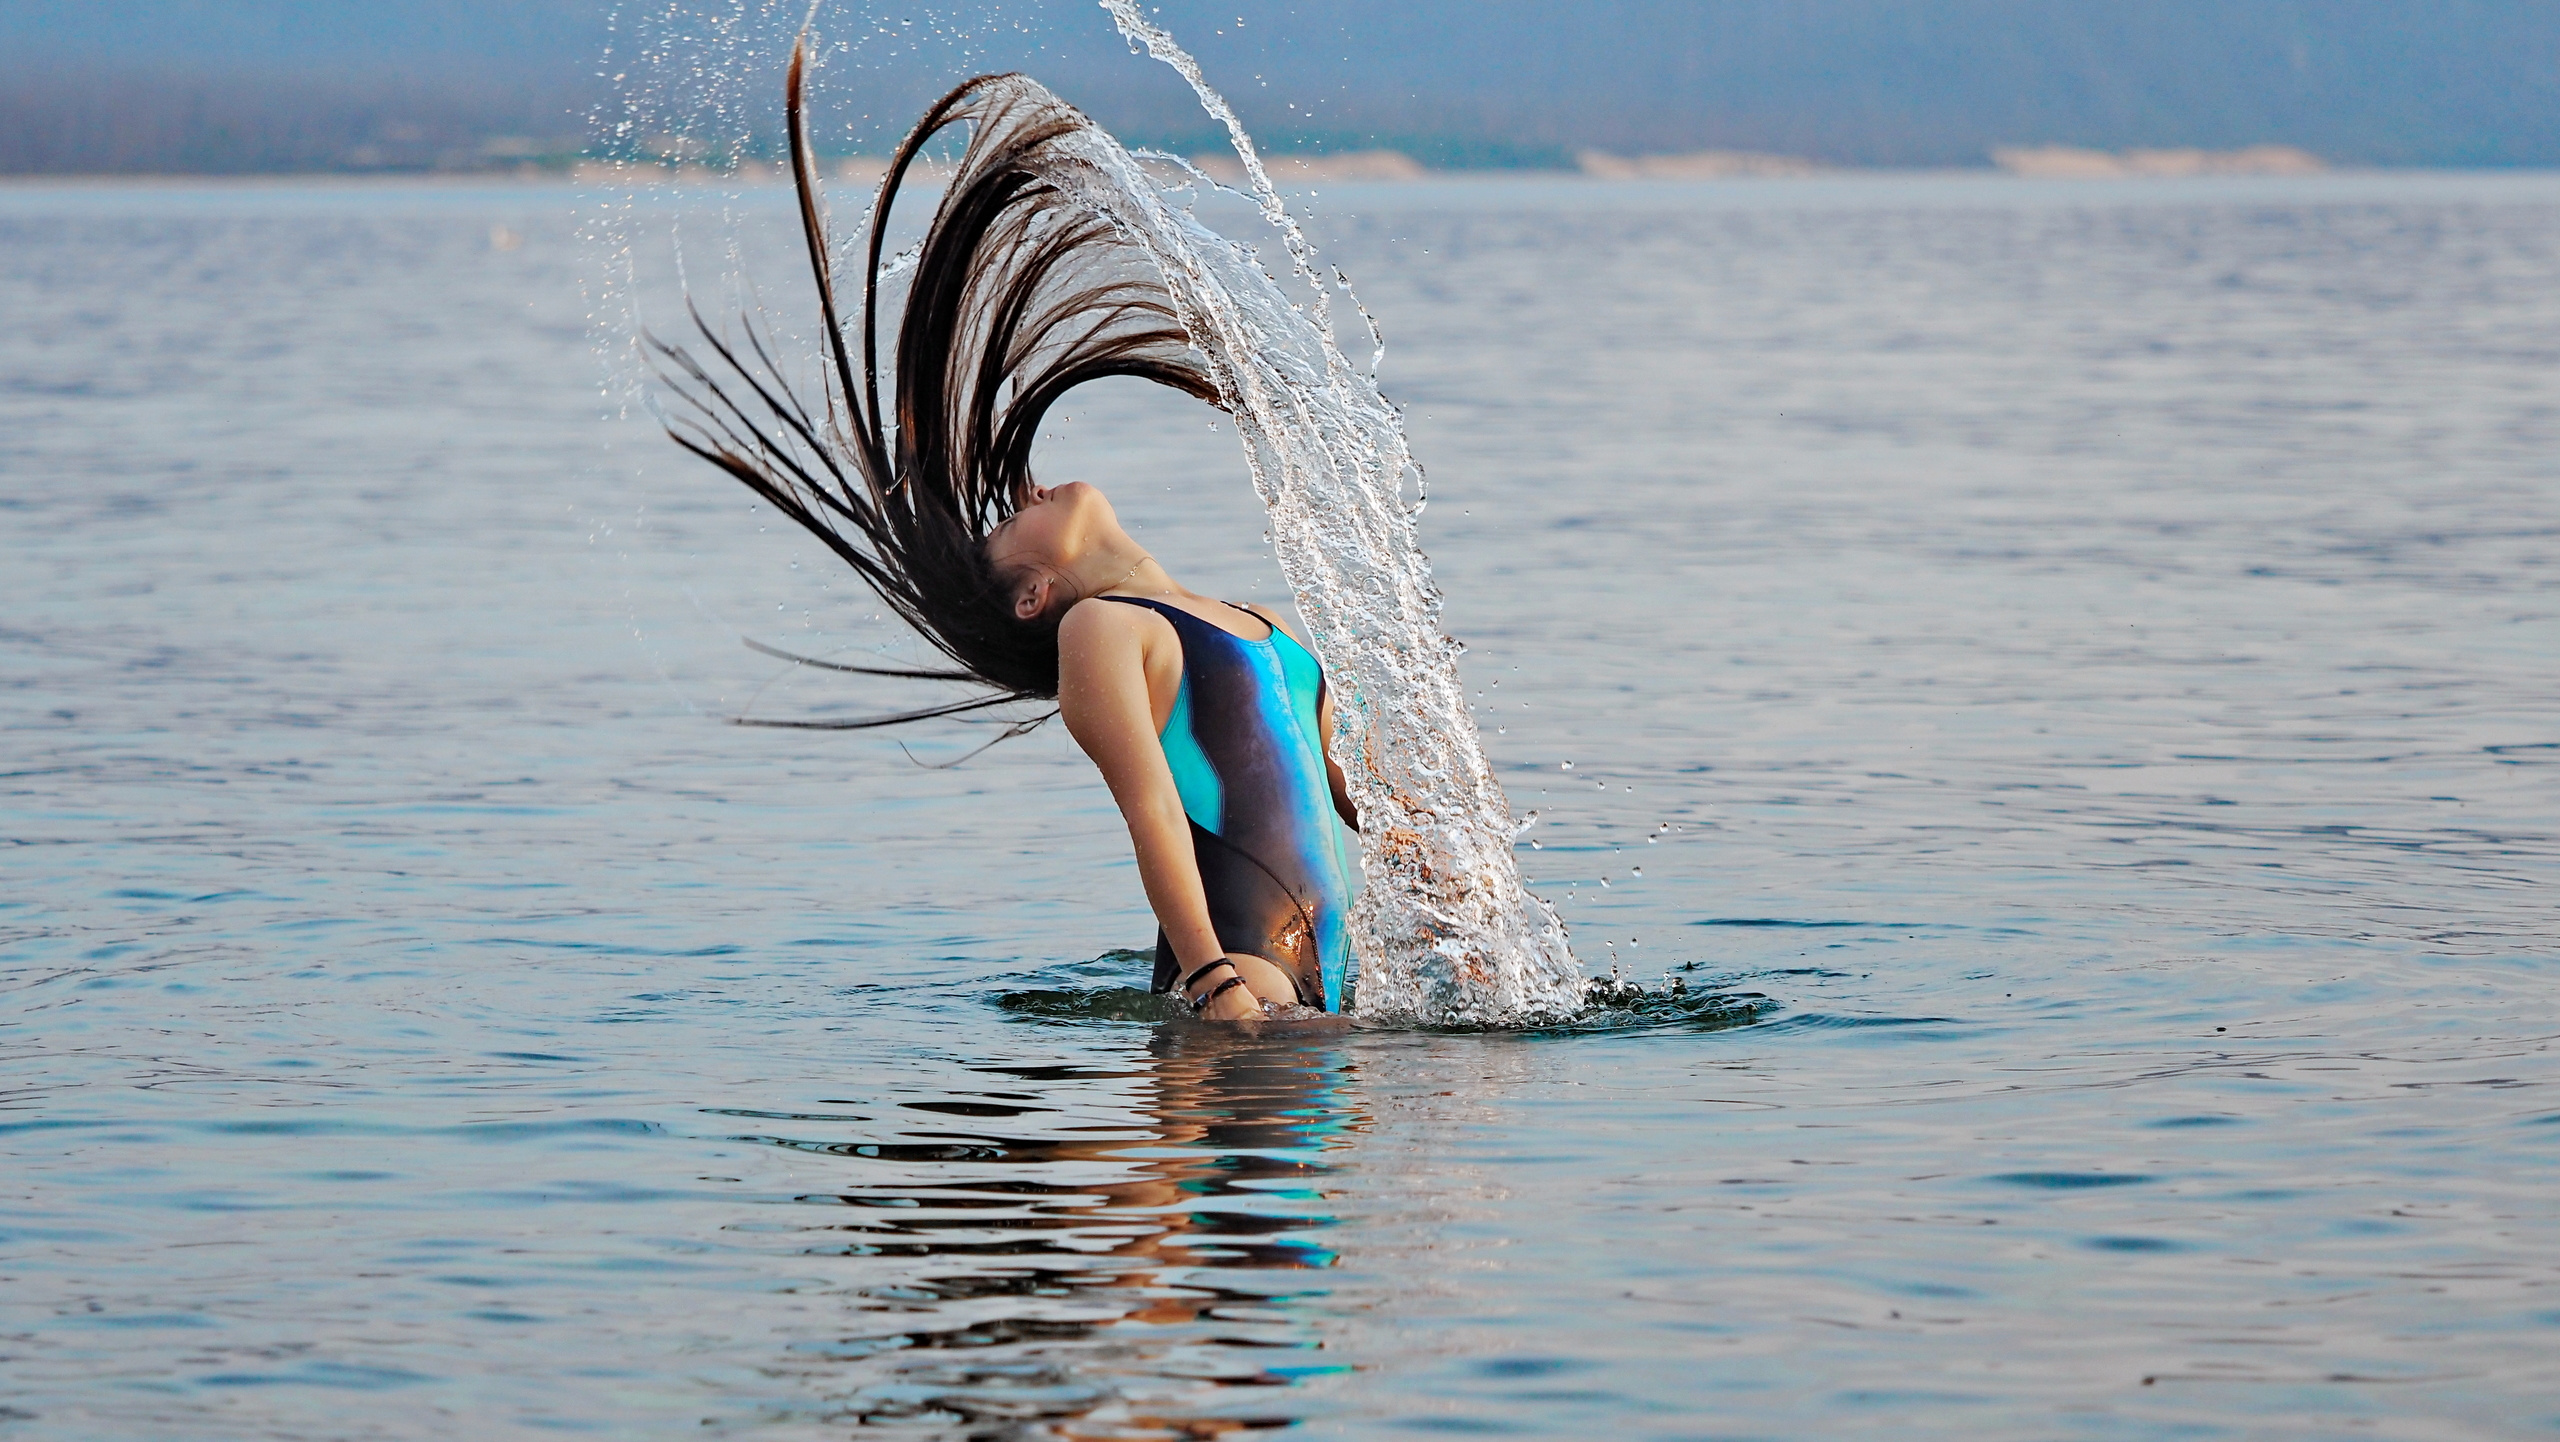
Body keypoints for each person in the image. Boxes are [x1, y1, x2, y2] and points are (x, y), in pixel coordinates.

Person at [652, 55, 1358, 1021]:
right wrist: (1212, 979)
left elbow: (1348, 804)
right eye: (1006, 519)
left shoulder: (1262, 622)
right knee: (1176, 1179)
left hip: (1341, 975)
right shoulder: (1103, 633)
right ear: (1032, 595)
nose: (1026, 487)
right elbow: (1152, 808)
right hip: (1242, 967)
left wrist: (1455, 914)